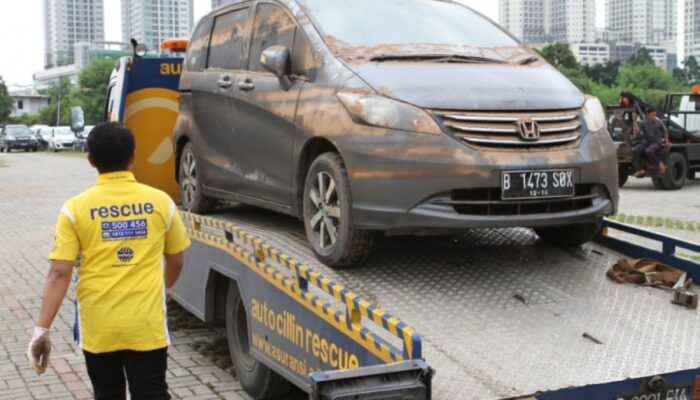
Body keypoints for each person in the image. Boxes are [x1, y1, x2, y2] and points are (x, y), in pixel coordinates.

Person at [27, 122, 190, 399]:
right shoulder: (161, 202)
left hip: (99, 327)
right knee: (152, 393)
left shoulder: (74, 209)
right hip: (146, 323)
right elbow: (176, 261)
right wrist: (166, 291)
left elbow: (59, 273)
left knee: (107, 393)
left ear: (90, 161)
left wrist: (41, 329)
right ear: (134, 157)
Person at [632, 108, 670, 177]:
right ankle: (640, 169)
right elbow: (637, 132)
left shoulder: (659, 122)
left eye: (655, 115)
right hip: (647, 142)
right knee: (636, 150)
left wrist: (667, 142)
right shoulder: (643, 123)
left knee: (648, 151)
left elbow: (665, 131)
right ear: (647, 115)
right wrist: (634, 120)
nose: (654, 117)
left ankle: (659, 164)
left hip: (656, 142)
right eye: (652, 115)